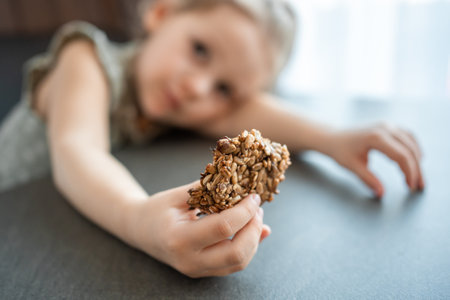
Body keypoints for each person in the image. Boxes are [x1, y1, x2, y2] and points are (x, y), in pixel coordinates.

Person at [0, 0, 424, 278]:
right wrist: (137, 217)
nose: (199, 88)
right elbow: (78, 150)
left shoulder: (174, 99)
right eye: (200, 50)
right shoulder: (85, 59)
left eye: (224, 88)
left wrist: (333, 139)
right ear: (162, 13)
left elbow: (250, 112)